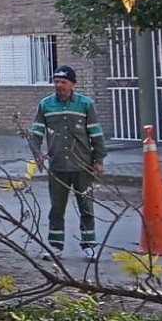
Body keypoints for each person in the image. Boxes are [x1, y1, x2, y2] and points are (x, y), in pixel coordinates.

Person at [29, 64, 106, 262]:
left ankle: (89, 246)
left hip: (82, 165)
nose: (59, 85)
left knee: (86, 207)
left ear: (72, 84)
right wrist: (37, 154)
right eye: (56, 81)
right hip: (57, 166)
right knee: (56, 208)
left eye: (64, 82)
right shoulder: (45, 105)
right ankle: (56, 246)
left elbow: (96, 134)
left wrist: (99, 160)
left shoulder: (85, 104)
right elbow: (35, 133)